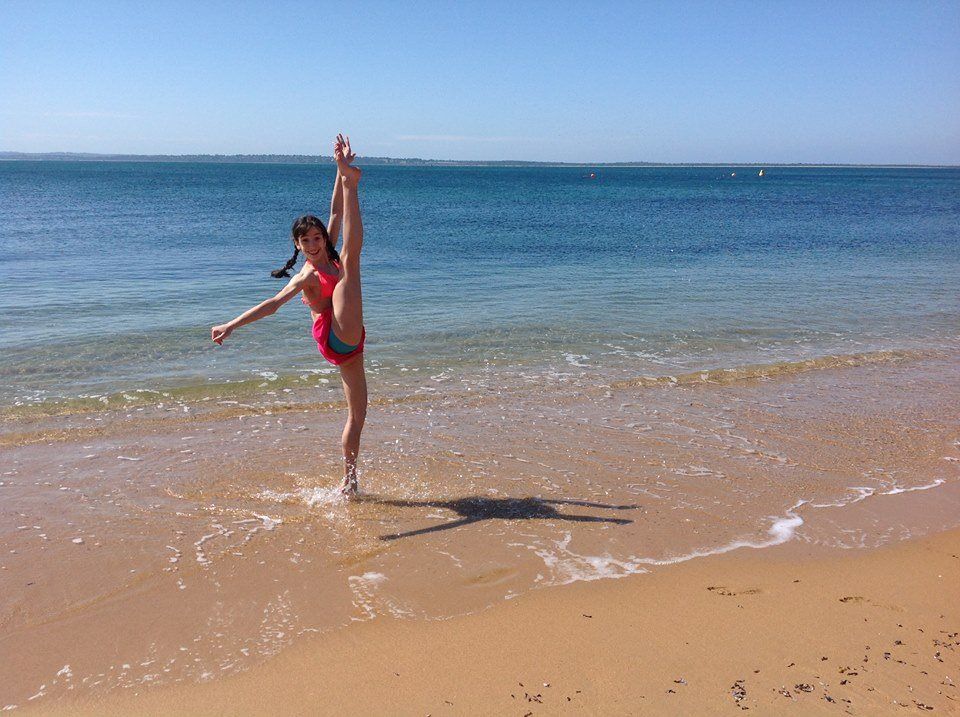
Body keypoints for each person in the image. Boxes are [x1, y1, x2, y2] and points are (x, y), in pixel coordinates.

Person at [211, 134, 367, 496]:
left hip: (352, 343)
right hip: (333, 337)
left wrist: (339, 168)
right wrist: (231, 325)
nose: (313, 244)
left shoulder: (328, 250)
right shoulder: (307, 275)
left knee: (358, 416)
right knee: (351, 264)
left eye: (316, 238)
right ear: (297, 245)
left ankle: (349, 481)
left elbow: (335, 213)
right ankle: (354, 185)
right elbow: (273, 304)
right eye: (305, 241)